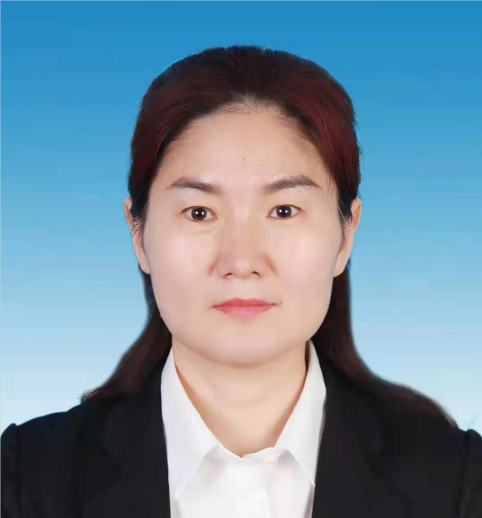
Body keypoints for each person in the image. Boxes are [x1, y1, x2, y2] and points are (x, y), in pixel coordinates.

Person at [2, 44, 481, 518]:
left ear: (345, 235)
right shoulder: (25, 480)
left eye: (284, 210)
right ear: (139, 233)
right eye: (199, 212)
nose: (241, 260)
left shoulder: (457, 482)